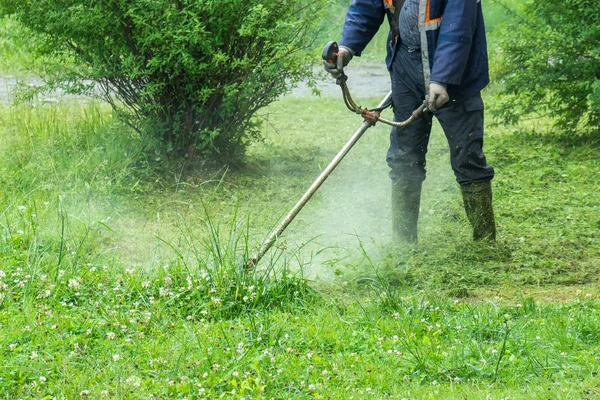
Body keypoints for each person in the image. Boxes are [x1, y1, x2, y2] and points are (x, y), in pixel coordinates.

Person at [324, 0, 496, 242]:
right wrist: (347, 47)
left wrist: (442, 78)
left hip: (456, 72)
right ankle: (404, 243)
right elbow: (366, 6)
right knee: (404, 156)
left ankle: (485, 241)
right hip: (405, 64)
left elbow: (458, 26)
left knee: (467, 156)